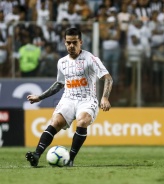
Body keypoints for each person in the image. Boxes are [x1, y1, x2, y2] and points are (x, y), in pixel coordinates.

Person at [25, 27, 113, 167]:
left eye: (74, 42)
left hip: (87, 99)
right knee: (55, 122)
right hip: (68, 98)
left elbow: (108, 78)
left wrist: (105, 97)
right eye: (68, 42)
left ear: (81, 42)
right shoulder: (62, 62)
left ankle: (70, 159)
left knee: (82, 121)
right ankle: (36, 155)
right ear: (65, 43)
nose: (71, 46)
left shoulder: (90, 59)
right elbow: (59, 84)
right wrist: (40, 97)